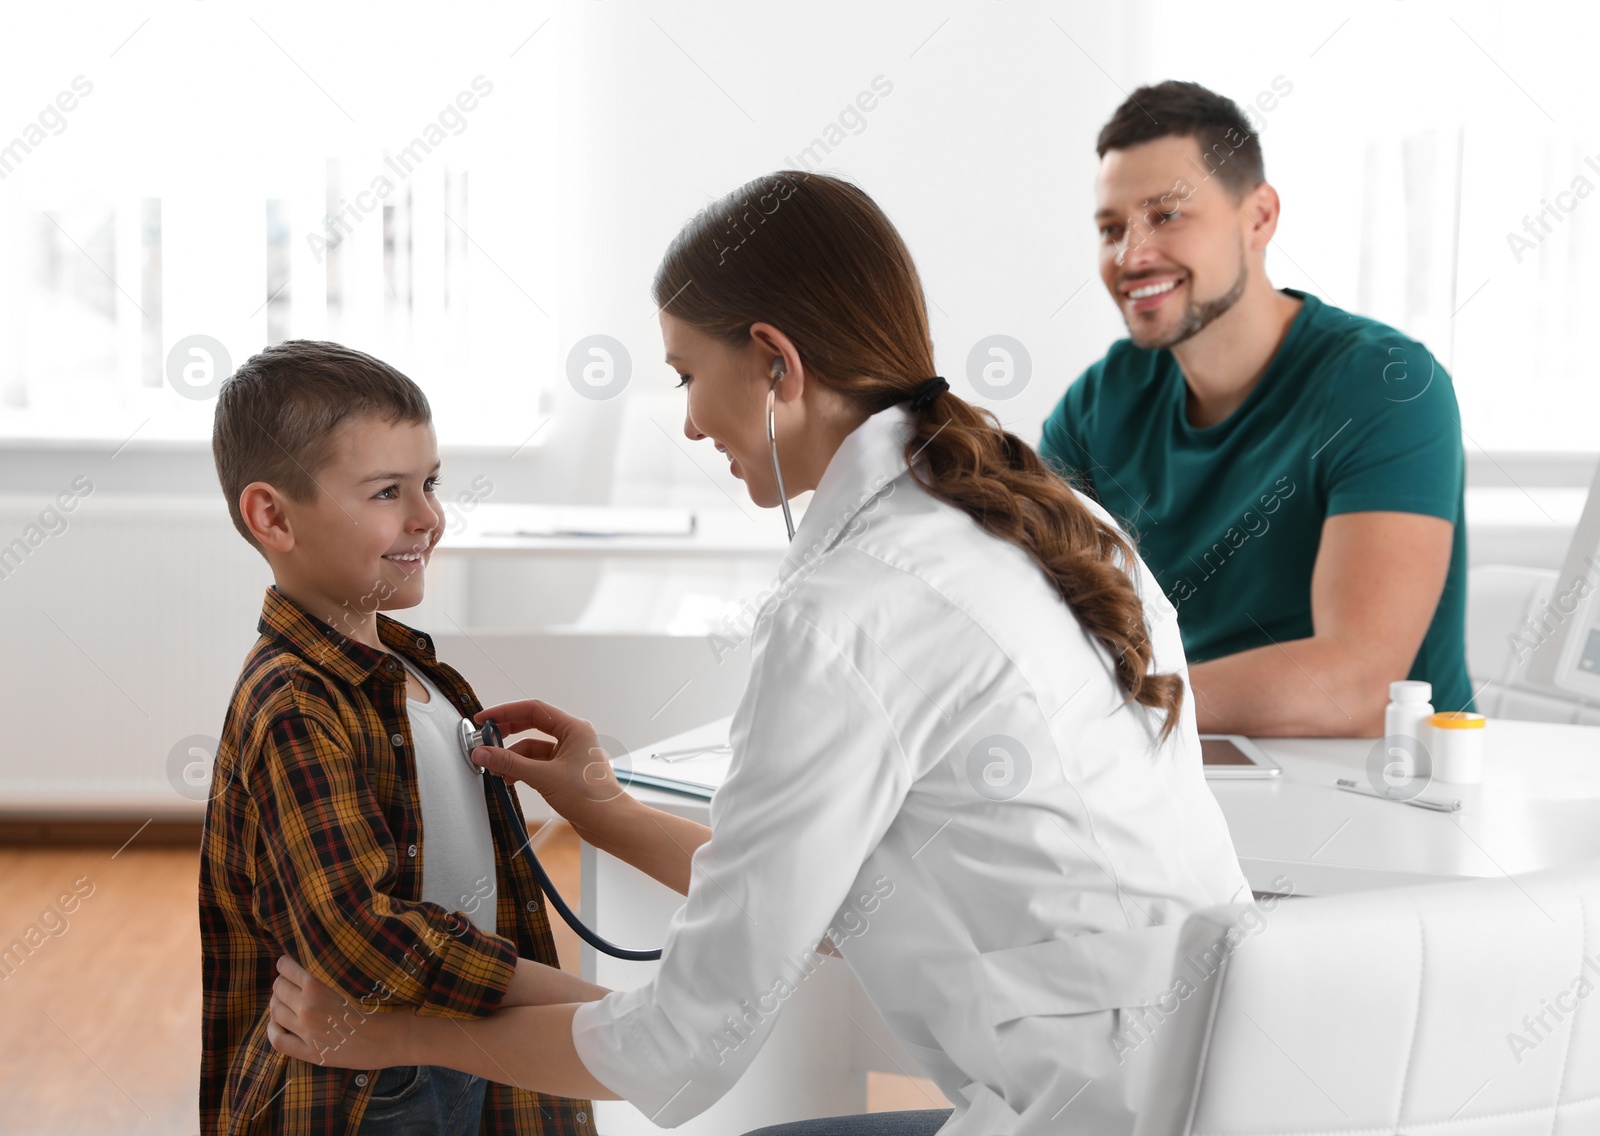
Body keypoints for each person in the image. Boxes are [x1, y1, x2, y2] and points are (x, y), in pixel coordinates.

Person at [267, 172, 1250, 1136]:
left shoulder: (848, 609)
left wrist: (398, 1033)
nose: (689, 420)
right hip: (1222, 1088)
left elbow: (682, 1042)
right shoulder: (1063, 521)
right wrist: (603, 806)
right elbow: (822, 902)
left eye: (688, 375)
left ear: (775, 362)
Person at [200, 341, 599, 1135]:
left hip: (466, 1048)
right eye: (388, 492)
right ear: (272, 516)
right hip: (370, 1088)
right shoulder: (294, 707)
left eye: (430, 483)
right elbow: (360, 938)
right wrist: (586, 1007)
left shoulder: (420, 677)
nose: (429, 517)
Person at [1040, 80, 1474, 737]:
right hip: (1181, 756)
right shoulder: (1099, 404)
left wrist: (1105, 708)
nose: (1131, 254)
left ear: (1260, 218)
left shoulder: (1388, 385)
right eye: (1111, 228)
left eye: (1167, 215)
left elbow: (1354, 686)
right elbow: (1034, 614)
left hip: (1382, 784)